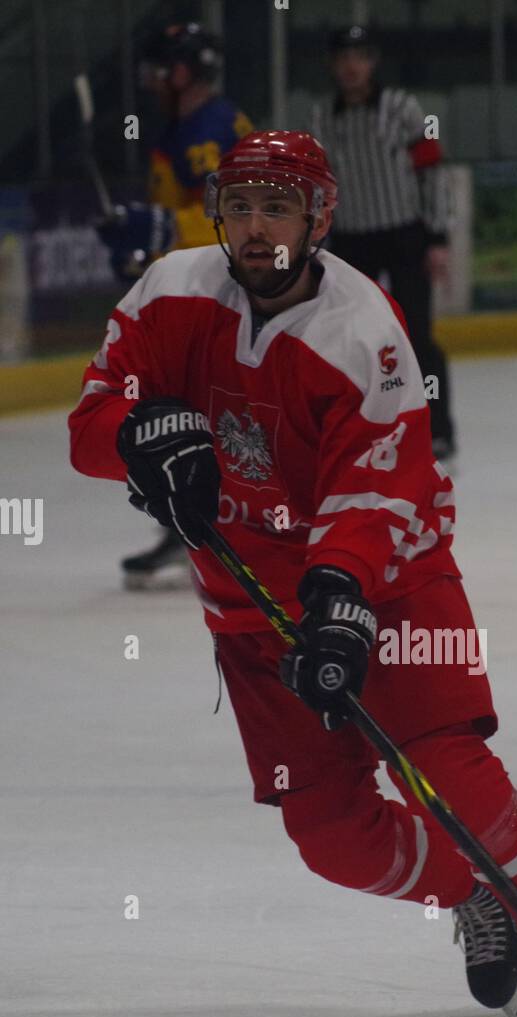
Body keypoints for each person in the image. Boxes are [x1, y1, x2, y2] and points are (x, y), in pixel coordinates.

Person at [69, 130, 517, 1017]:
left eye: (278, 208)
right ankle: (475, 894)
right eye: (240, 207)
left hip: (393, 584)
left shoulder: (364, 331)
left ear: (320, 218)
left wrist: (340, 597)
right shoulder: (172, 293)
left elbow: (379, 487)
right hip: (250, 610)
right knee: (332, 838)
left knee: (449, 769)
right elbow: (91, 420)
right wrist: (135, 438)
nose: (256, 228)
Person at [97, 21, 253, 591]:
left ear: (185, 71)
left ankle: (220, 522)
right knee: (187, 411)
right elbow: (185, 221)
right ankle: (191, 520)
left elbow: (234, 217)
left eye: (163, 67)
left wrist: (162, 229)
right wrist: (140, 244)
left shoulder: (210, 130)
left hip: (226, 298)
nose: (153, 78)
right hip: (202, 295)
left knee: (211, 411)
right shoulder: (182, 128)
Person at [312, 25, 456, 462]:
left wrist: (437, 237)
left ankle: (437, 429)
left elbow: (431, 169)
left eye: (360, 56)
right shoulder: (321, 117)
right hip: (352, 242)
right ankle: (361, 427)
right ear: (333, 65)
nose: (352, 66)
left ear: (372, 62)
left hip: (405, 235)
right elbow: (319, 183)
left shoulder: (402, 108)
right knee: (352, 339)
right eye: (343, 57)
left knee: (416, 333)